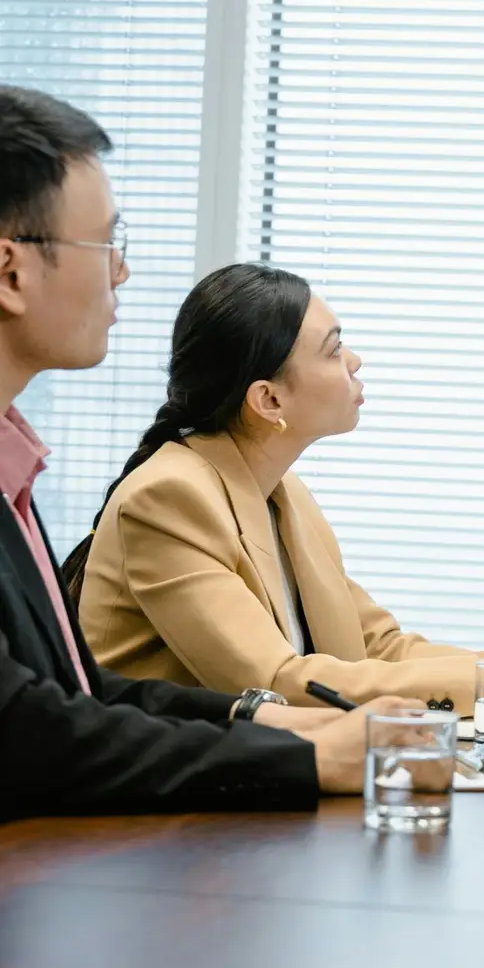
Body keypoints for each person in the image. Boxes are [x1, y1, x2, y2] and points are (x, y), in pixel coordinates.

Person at [0, 83, 412, 818]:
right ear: (11, 271)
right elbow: (28, 731)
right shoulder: (172, 490)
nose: (120, 271)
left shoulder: (15, 469)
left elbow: (78, 688)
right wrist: (307, 753)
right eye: (105, 244)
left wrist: (261, 719)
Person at [72, 262, 484, 710]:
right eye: (333, 350)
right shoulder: (169, 497)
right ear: (269, 401)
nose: (354, 360)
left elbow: (378, 648)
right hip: (156, 815)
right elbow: (273, 684)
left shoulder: (285, 493)